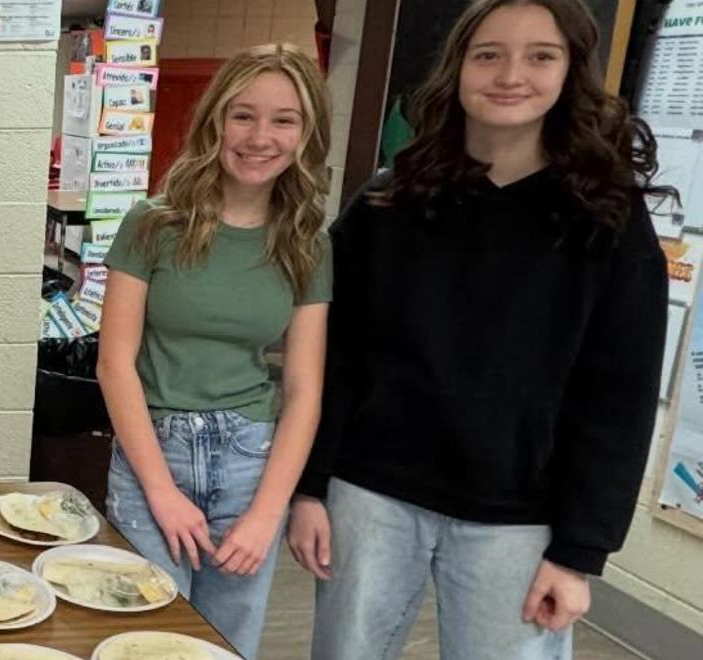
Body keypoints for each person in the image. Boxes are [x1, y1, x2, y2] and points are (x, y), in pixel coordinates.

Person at [288, 1, 673, 658]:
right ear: (458, 66)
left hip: (521, 517)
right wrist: (311, 486)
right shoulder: (391, 201)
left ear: (571, 70)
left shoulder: (607, 219)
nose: (509, 73)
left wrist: (580, 552)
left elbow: (619, 399)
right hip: (372, 492)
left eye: (540, 55)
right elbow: (336, 358)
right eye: (488, 53)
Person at [96, 43, 332, 659]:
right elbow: (114, 363)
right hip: (155, 454)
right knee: (140, 638)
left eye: (284, 119)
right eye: (243, 115)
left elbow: (305, 389)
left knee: (227, 646)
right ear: (215, 122)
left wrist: (266, 514)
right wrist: (161, 491)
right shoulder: (152, 224)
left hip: (249, 466)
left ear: (306, 135)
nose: (260, 136)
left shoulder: (307, 242)